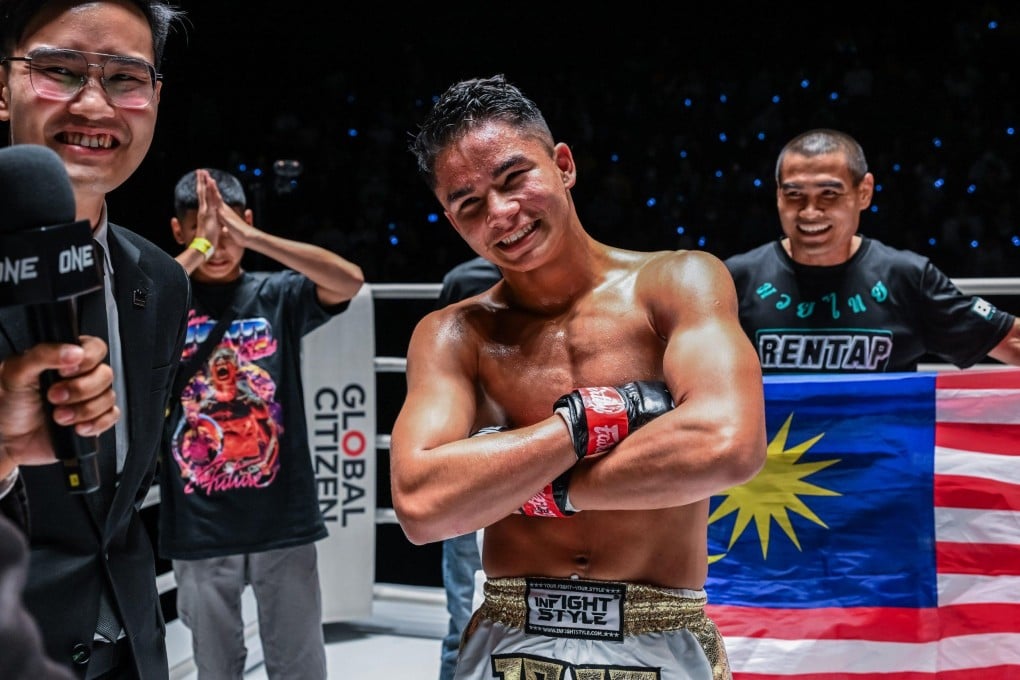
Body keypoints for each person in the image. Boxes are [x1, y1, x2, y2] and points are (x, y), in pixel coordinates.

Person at [390, 74, 767, 680]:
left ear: (563, 164)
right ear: (451, 219)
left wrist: (539, 489)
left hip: (657, 622)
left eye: (515, 179)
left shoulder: (677, 283)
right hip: (512, 629)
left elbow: (729, 446)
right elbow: (422, 506)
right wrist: (587, 421)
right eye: (469, 204)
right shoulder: (454, 335)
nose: (502, 213)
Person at [0, 1, 191, 678]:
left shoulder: (163, 281)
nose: (94, 105)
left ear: (155, 98)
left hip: (130, 642)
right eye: (60, 70)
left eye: (124, 79)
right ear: (3, 86)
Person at [159, 167, 364, 679]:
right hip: (200, 522)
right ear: (179, 231)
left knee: (299, 665)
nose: (220, 243)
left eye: (230, 230)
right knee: (217, 667)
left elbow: (349, 280)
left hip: (282, 517)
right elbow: (130, 304)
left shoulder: (276, 295)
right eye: (202, 230)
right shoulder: (166, 300)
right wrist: (202, 249)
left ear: (246, 221)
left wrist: (251, 238)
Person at [724, 128, 1020, 374]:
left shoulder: (907, 278)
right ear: (778, 195)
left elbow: (1011, 340)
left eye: (829, 194)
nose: (810, 212)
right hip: (772, 447)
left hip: (880, 446)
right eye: (794, 195)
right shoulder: (734, 281)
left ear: (863, 192)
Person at [433, 256, 502, 680]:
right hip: (471, 465)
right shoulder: (465, 281)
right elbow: (438, 371)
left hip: (546, 466)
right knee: (465, 622)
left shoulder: (569, 282)